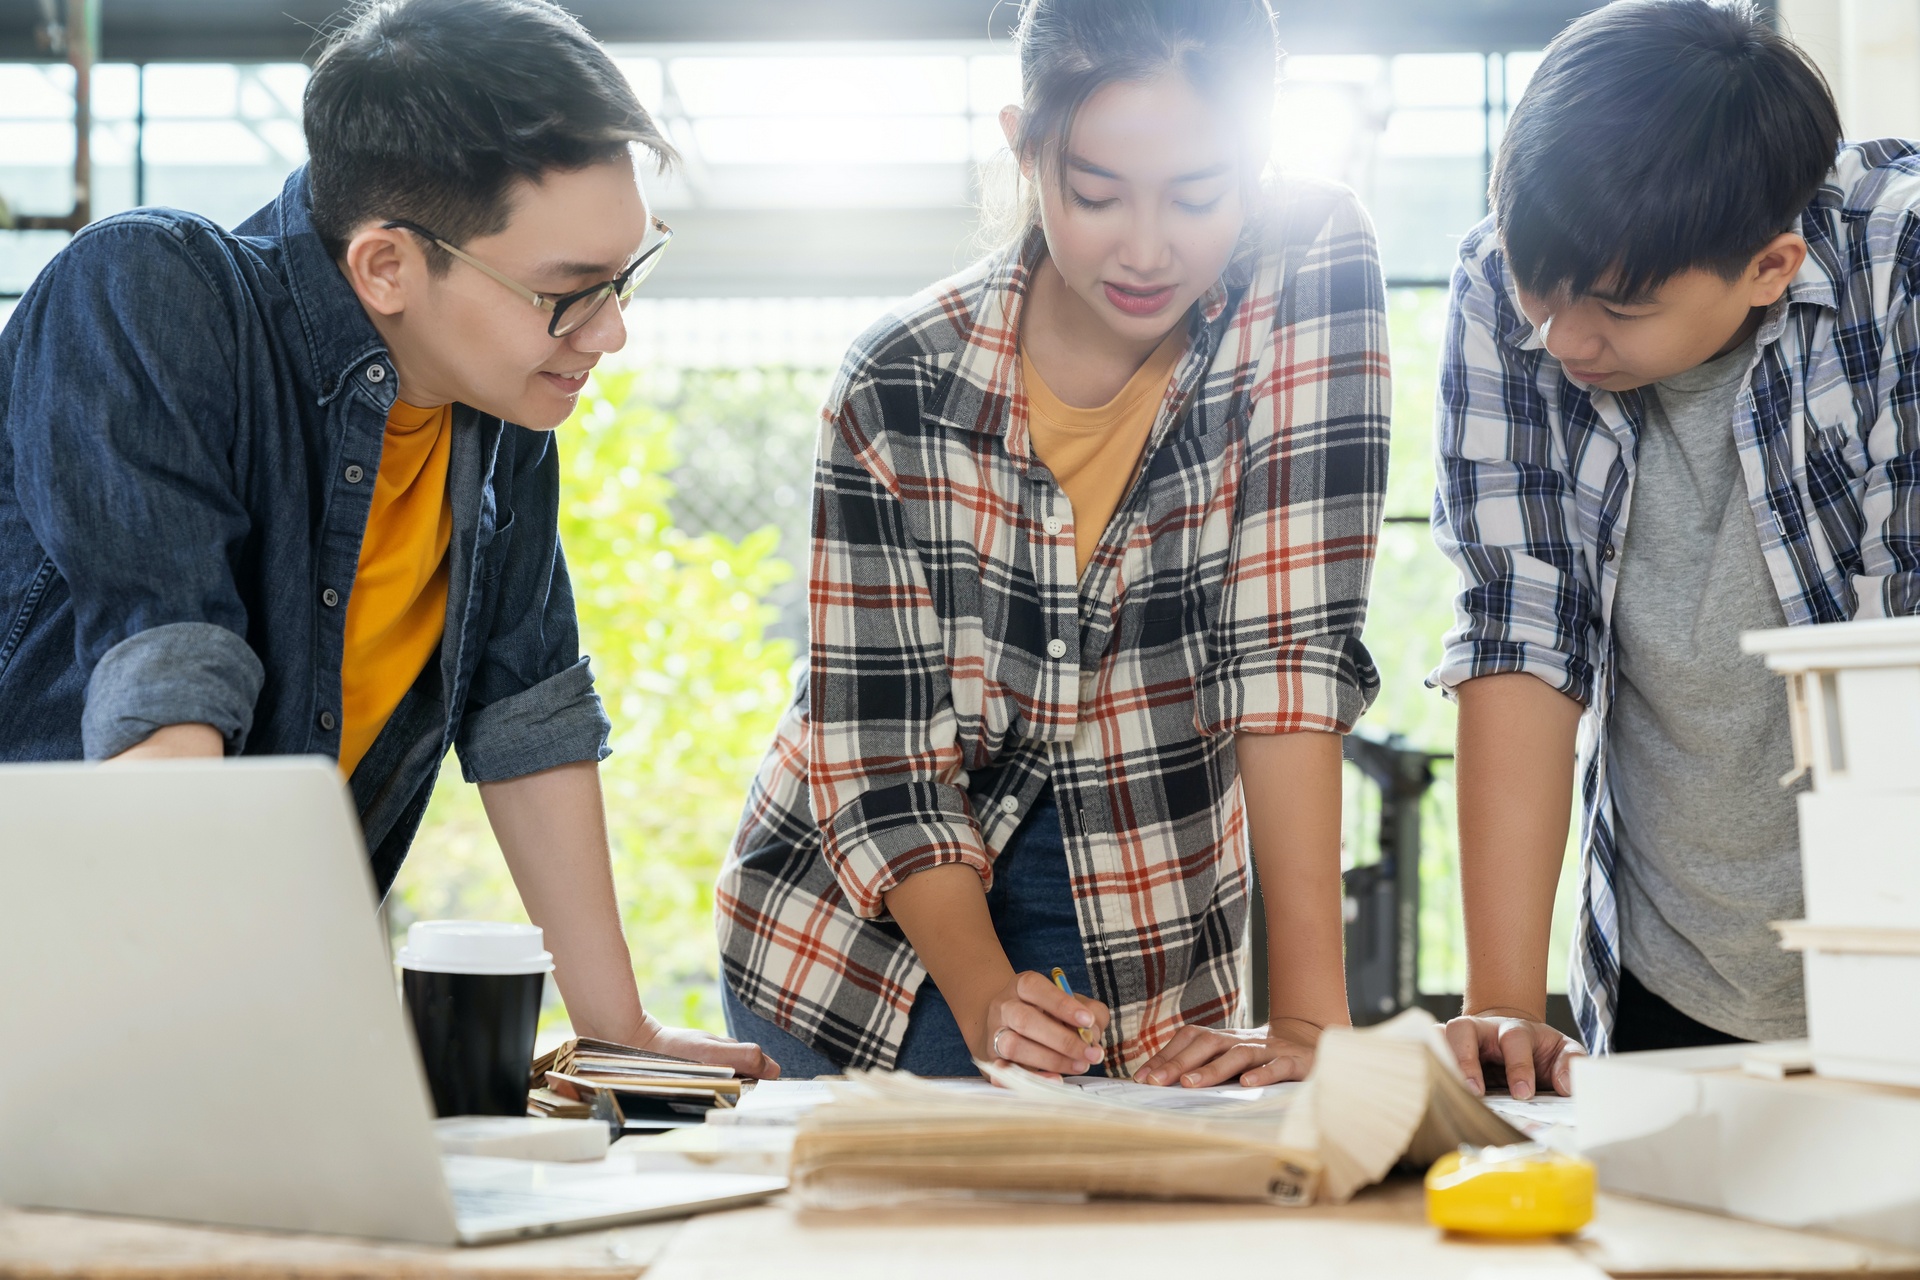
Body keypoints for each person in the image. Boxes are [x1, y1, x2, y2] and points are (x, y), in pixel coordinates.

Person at [0, 0, 776, 1077]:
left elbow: (527, 712)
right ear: (386, 267)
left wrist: (620, 1034)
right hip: (62, 990)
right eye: (566, 294)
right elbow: (167, 685)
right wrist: (184, 1048)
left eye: (623, 276)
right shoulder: (146, 291)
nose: (610, 331)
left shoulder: (501, 415)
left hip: (230, 1002)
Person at [715, 0, 1390, 1083]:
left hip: (1147, 890)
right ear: (1025, 147)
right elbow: (883, 755)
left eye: (1201, 193)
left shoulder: (1310, 259)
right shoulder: (895, 381)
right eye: (1096, 192)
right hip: (868, 940)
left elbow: (1289, 646)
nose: (1149, 247)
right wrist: (984, 997)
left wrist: (1312, 1023)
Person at [1433, 0, 1920, 1097]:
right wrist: (1505, 1006)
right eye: (1536, 284)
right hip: (1671, 970)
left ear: (1768, 263)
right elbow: (1520, 625)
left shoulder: (1902, 264)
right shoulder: (1504, 292)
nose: (1561, 338)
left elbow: (1906, 666)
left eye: (1617, 307)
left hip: (1898, 956)